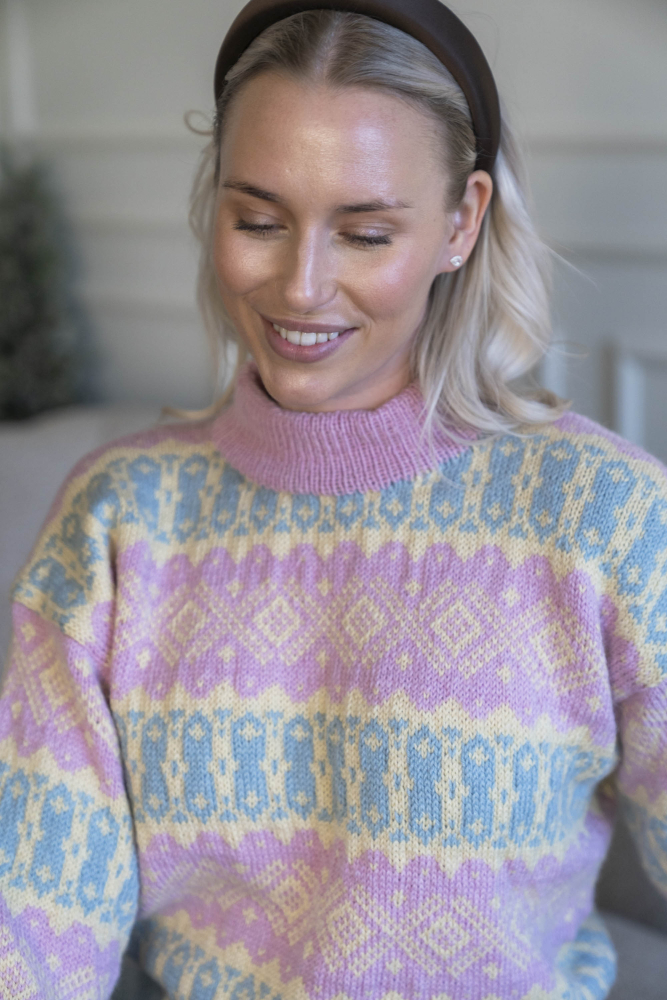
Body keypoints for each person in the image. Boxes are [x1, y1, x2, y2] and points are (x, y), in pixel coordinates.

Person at [1, 1, 666, 998]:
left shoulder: (607, 516)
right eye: (258, 221)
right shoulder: (118, 519)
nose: (301, 286)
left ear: (461, 221)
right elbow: (34, 921)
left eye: (364, 233)